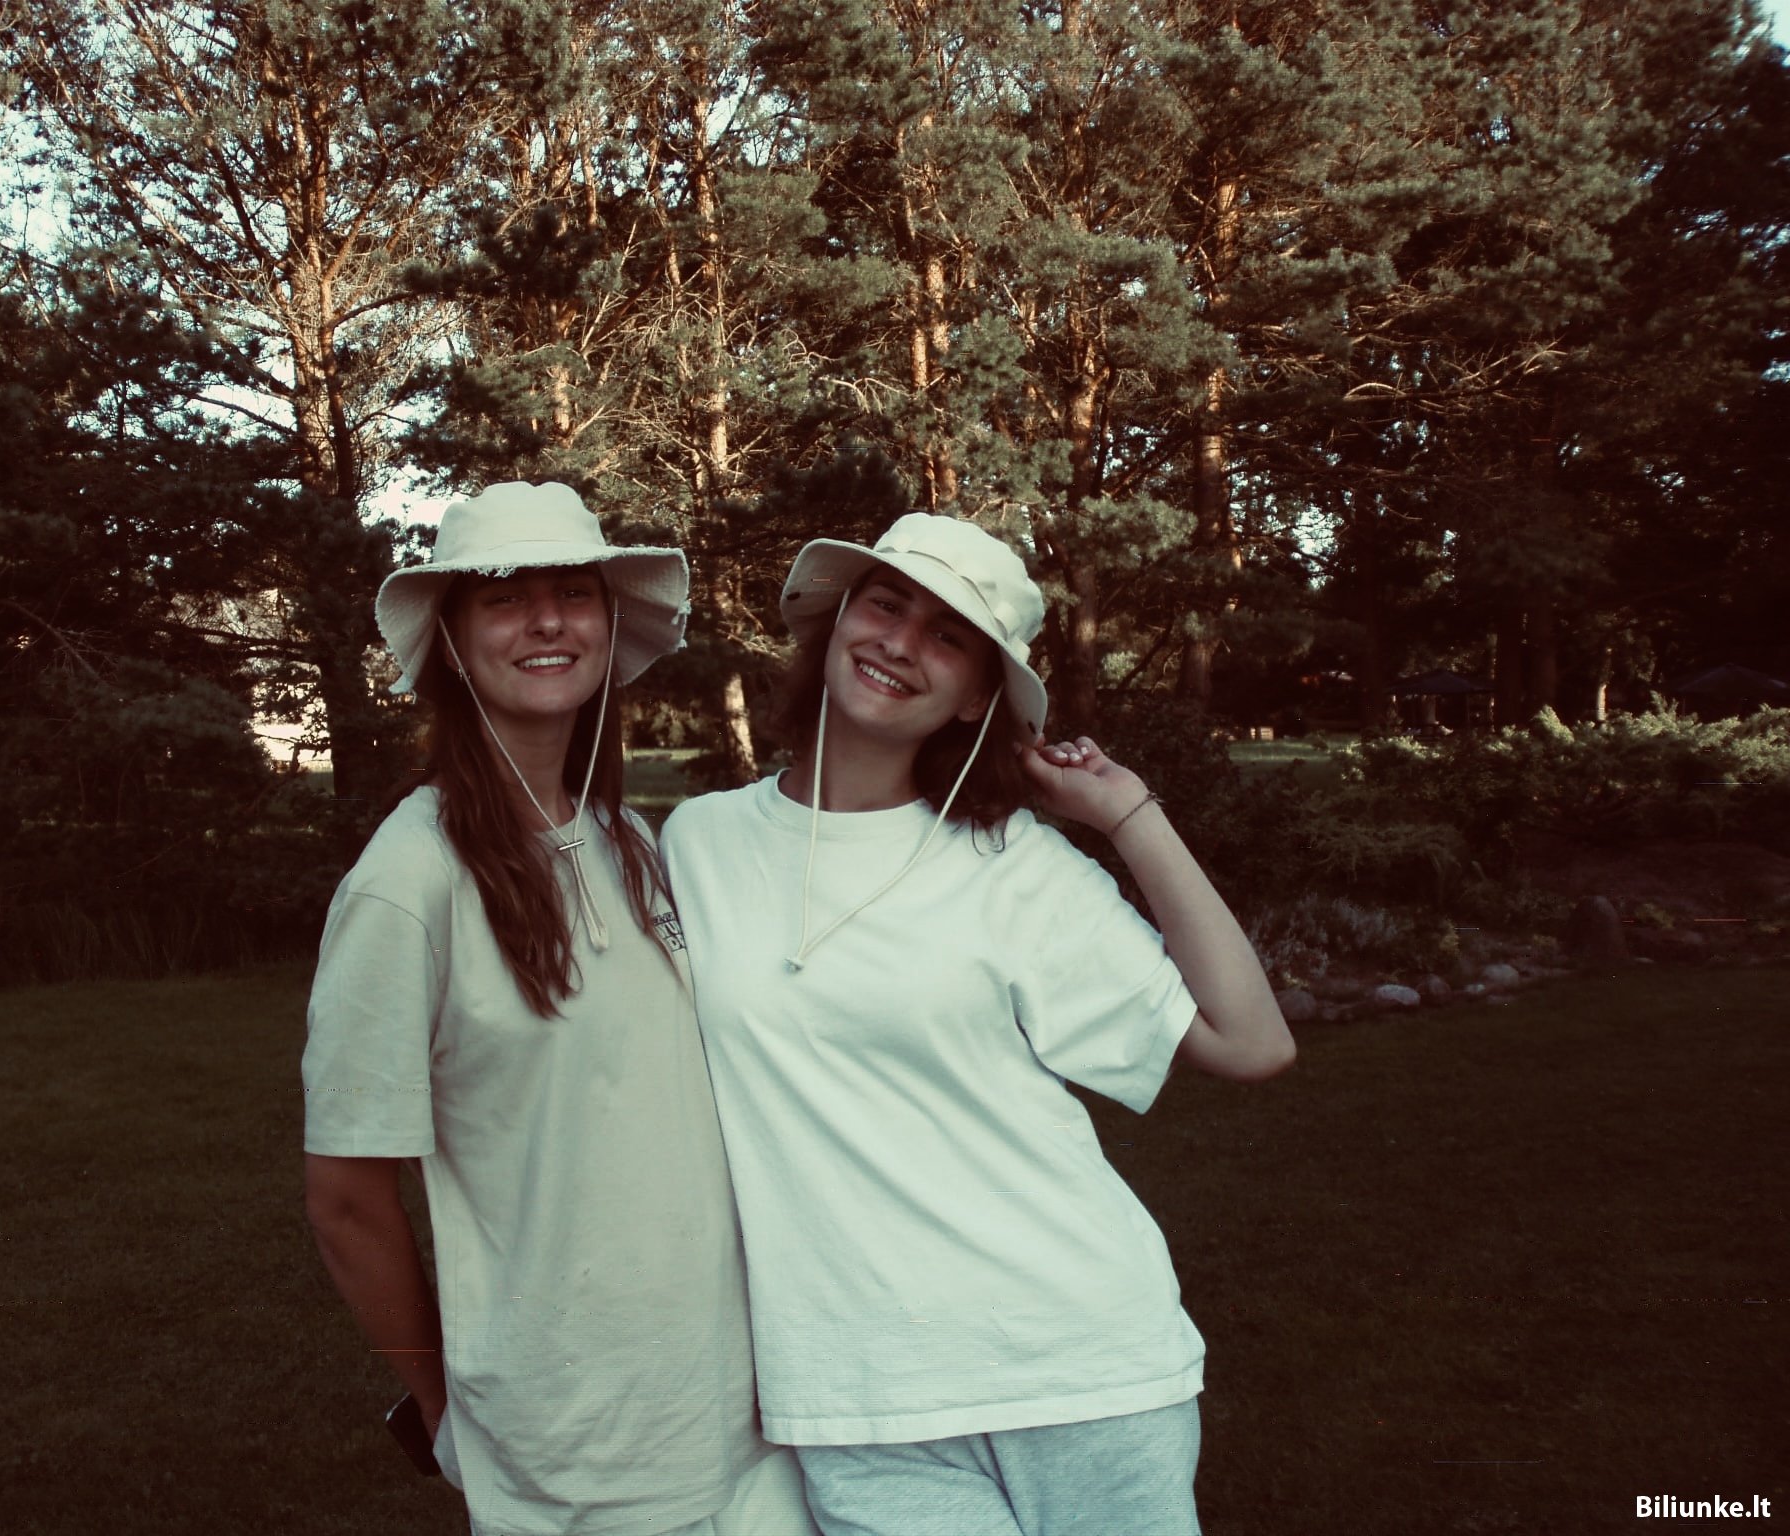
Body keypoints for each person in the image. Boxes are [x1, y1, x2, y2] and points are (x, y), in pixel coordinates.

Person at [660, 512, 1296, 1536]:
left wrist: (1127, 815)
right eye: (885, 605)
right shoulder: (697, 842)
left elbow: (1251, 1043)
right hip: (857, 1395)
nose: (900, 643)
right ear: (836, 621)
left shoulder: (1010, 864)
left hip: (1075, 1364)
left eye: (949, 637)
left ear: (975, 698)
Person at [301, 482, 816, 1536]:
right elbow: (346, 1198)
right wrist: (442, 1408)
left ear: (608, 624)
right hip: (575, 1456)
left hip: (741, 1414)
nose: (546, 620)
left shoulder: (625, 840)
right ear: (451, 643)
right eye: (504, 597)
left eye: (573, 593)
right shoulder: (409, 882)